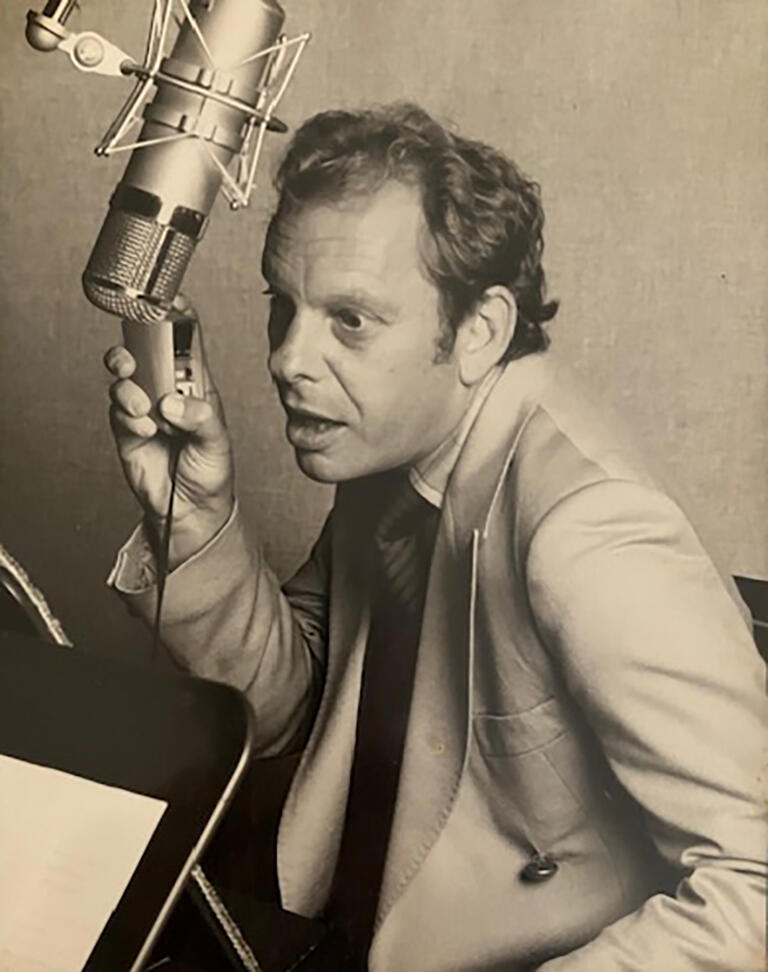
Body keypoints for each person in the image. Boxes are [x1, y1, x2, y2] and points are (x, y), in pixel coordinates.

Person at [105, 103, 767, 971]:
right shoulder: (395, 449)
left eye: (350, 320)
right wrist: (198, 519)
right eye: (285, 306)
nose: (288, 358)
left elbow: (755, 880)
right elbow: (293, 716)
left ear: (479, 331)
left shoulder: (591, 530)